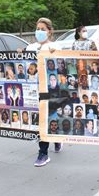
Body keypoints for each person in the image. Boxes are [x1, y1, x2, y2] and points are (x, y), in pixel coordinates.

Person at [24, 18, 62, 167]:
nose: (39, 31)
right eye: (37, 28)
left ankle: (44, 152)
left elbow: (61, 66)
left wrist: (55, 54)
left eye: (42, 29)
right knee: (42, 120)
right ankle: (50, 145)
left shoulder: (55, 46)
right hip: (34, 89)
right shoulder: (30, 47)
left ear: (49, 31)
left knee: (47, 118)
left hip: (50, 90)